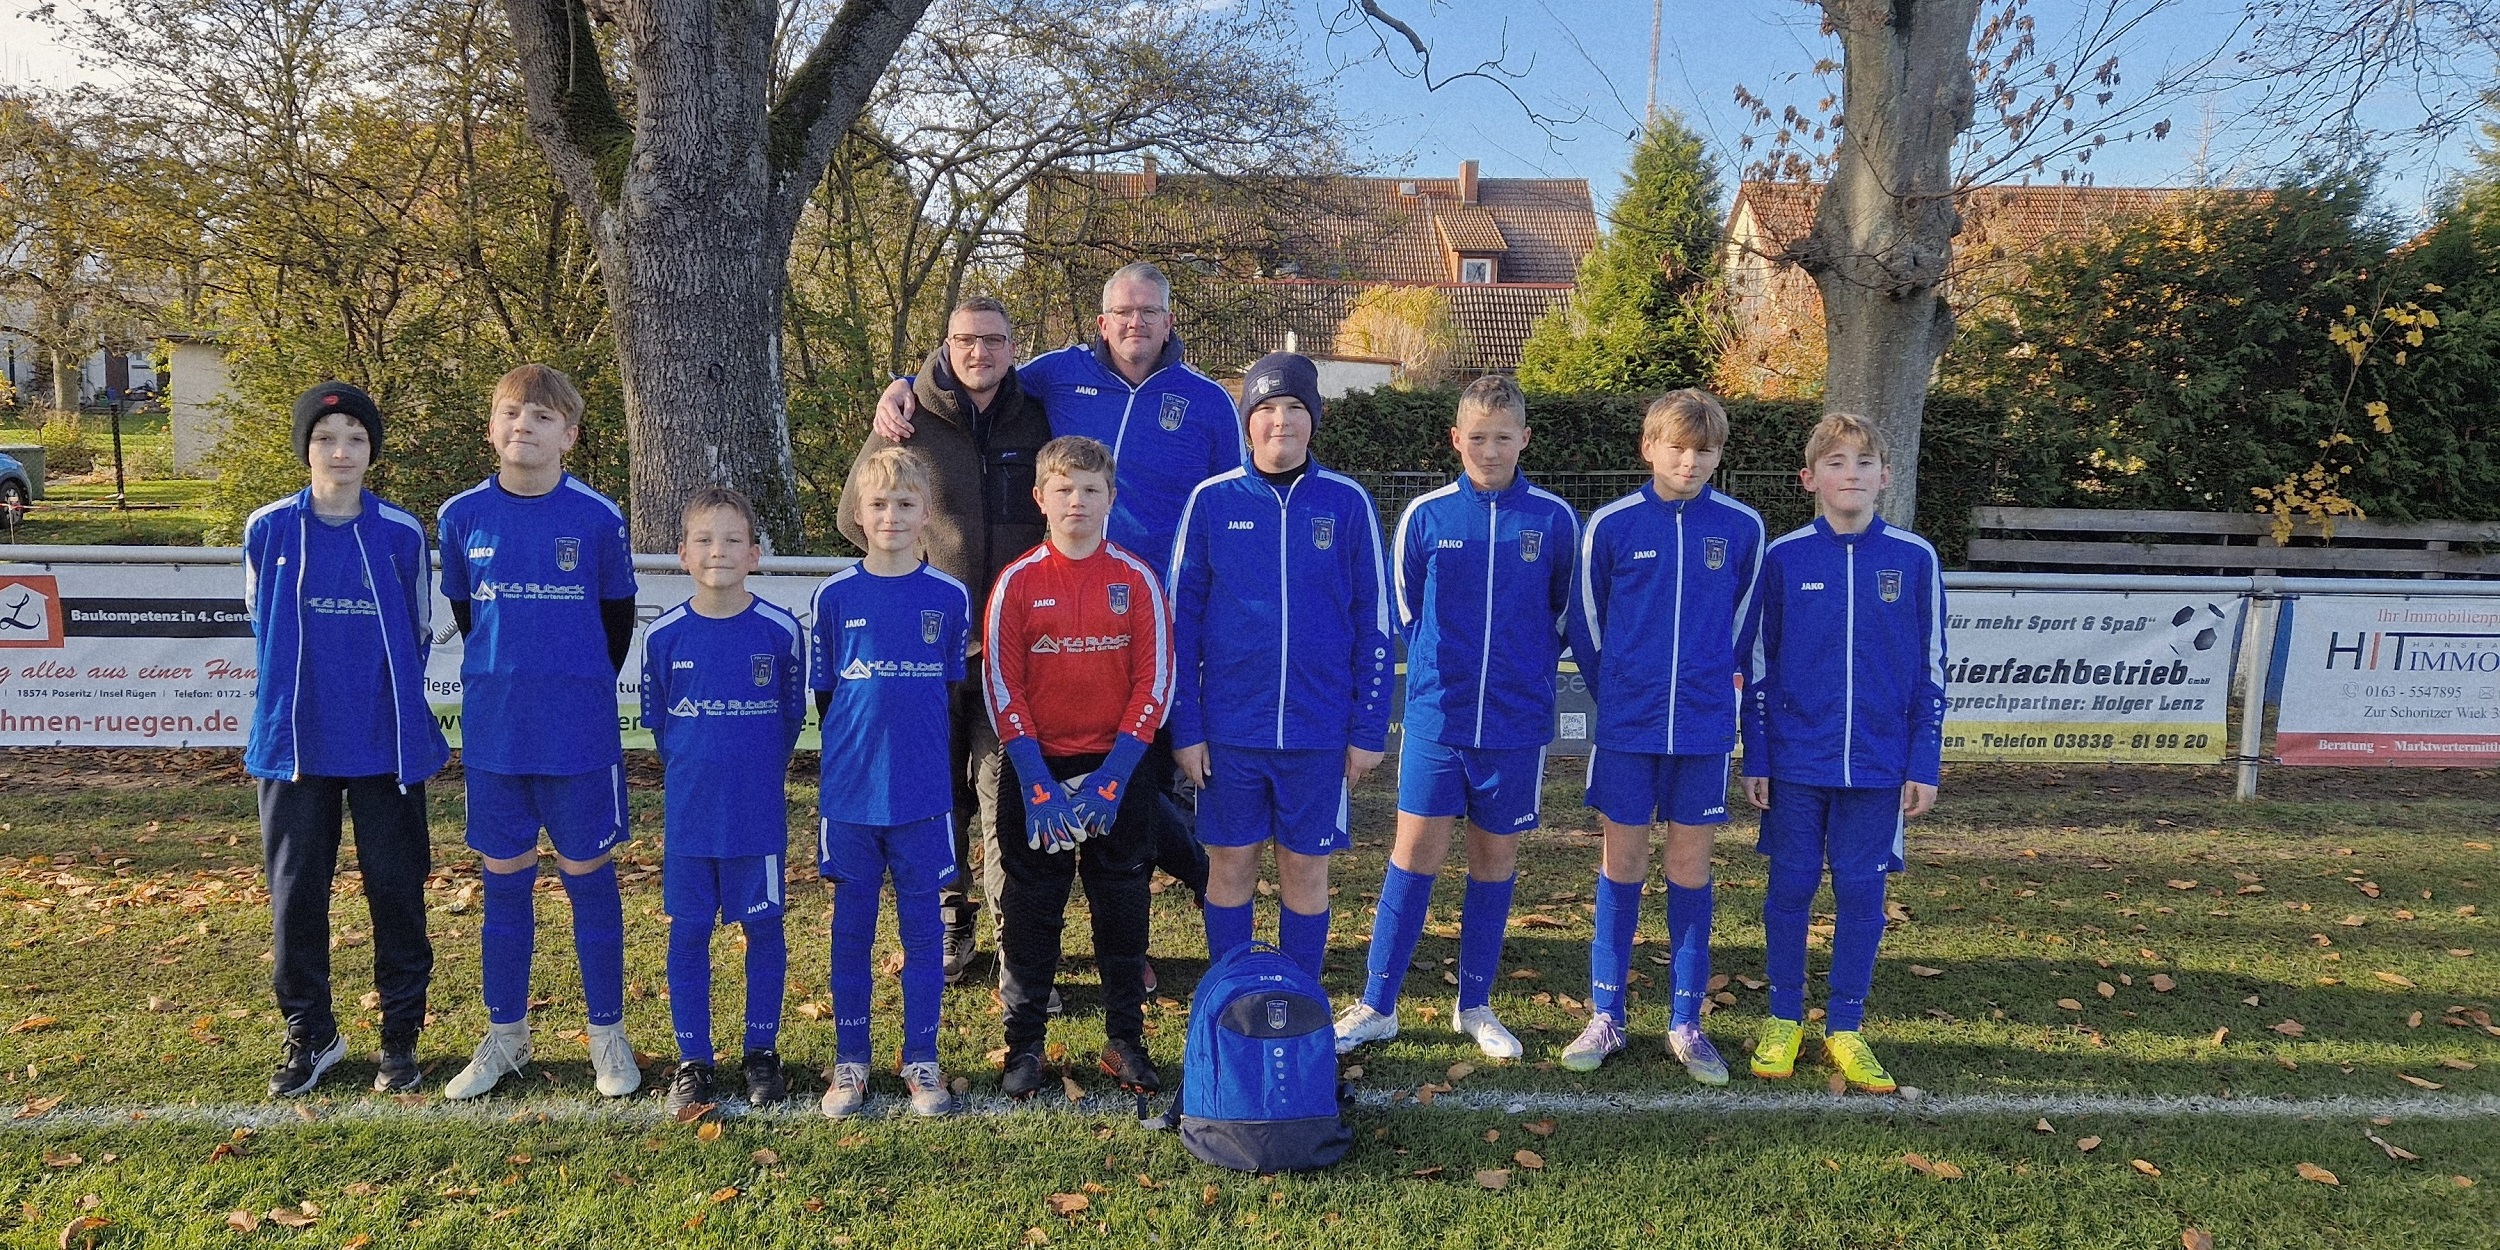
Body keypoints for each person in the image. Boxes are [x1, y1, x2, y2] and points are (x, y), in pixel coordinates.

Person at [873, 264, 1228, 951]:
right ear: (1102, 322)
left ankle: (1160, 916)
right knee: (1035, 777)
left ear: (1169, 320)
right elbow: (976, 372)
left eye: (1149, 311)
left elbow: (1226, 500)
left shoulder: (1207, 401)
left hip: (1154, 618)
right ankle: (1032, 937)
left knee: (1142, 786)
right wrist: (904, 384)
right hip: (1058, 613)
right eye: (1123, 311)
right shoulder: (1057, 374)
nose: (1135, 323)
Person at [1333, 376, 1578, 1060]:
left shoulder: (1554, 520)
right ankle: (1377, 1005)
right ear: (1455, 440)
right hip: (1438, 721)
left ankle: (1474, 1005)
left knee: (1494, 861)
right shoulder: (1427, 516)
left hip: (1515, 725)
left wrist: (1522, 670)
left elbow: (1565, 612)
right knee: (1412, 856)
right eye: (1477, 438)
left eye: (1502, 437)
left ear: (1525, 438)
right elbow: (1407, 610)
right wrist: (1445, 673)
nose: (1489, 450)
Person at [436, 364, 644, 1100]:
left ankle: (607, 1034)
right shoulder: (461, 516)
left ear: (570, 436)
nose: (524, 425)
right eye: (511, 413)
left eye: (542, 417)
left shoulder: (598, 518)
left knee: (589, 879)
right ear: (492, 428)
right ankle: (507, 1035)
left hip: (578, 736)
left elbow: (615, 624)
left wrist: (570, 684)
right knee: (504, 885)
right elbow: (468, 615)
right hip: (497, 735)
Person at [243, 381, 451, 1097]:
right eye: (326, 438)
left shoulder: (400, 532)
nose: (341, 452)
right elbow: (260, 621)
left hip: (385, 744)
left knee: (396, 892)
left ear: (371, 451)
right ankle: (312, 1033)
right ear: (305, 447)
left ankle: (400, 1035)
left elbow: (418, 628)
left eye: (356, 439)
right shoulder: (268, 528)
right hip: (294, 745)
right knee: (296, 895)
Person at [838, 295, 1051, 986]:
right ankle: (950, 922)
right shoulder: (908, 417)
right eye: (965, 340)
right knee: (939, 793)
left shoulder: (1038, 413)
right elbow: (852, 514)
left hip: (1010, 647)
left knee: (1003, 793)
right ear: (946, 346)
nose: (978, 352)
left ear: (1012, 348)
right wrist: (916, 571)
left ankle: (1014, 941)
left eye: (992, 340)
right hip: (927, 652)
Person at [1557, 389, 1766, 1081]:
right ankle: (1606, 1014)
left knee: (1689, 870)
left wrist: (1712, 689)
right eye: (1676, 447)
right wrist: (1619, 691)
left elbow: (1743, 627)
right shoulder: (1612, 524)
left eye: (1704, 451)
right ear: (1649, 447)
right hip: (1627, 728)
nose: (1689, 461)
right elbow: (1587, 620)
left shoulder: (1742, 527)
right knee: (1622, 866)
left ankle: (1685, 1021)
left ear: (1718, 455)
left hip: (1703, 731)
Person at [1168, 352, 1392, 980]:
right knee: (1230, 866)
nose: (1281, 421)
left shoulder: (1347, 502)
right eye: (1266, 408)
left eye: (1295, 407)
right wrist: (1186, 728)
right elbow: (1179, 624)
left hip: (1318, 733)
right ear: (1247, 420)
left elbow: (1375, 623)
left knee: (1305, 870)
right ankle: (1232, 995)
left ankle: (1299, 1002)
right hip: (1230, 734)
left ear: (1314, 418)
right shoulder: (1211, 500)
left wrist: (1367, 729)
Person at [1740, 411, 1946, 1093]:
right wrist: (1758, 756)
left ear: (1886, 476)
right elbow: (1759, 666)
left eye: (1863, 462)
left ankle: (1847, 1025)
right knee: (1791, 887)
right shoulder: (1784, 558)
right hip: (1797, 762)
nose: (1850, 473)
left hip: (1880, 765)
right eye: (1835, 462)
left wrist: (1923, 761)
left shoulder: (1914, 558)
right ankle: (1783, 1017)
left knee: (1862, 891)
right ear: (1809, 479)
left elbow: (1932, 668)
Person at [982, 435, 1173, 1099]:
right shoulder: (1017, 582)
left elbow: (1155, 684)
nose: (1077, 502)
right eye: (1064, 489)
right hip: (1036, 766)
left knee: (1122, 908)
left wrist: (1112, 780)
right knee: (1031, 911)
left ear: (1111, 498)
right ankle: (1024, 1047)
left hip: (1118, 768)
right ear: (1040, 498)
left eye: (1091, 490)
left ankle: (1125, 1041)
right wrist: (1038, 783)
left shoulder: (1138, 580)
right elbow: (1002, 687)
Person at [812, 448, 972, 1118]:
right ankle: (851, 1061)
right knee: (851, 930)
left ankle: (921, 1059)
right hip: (851, 795)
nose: (891, 516)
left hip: (922, 794)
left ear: (926, 512)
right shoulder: (834, 595)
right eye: (878, 504)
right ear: (858, 512)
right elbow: (827, 697)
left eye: (905, 503)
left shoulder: (949, 597)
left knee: (924, 933)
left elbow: (951, 693)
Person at [643, 487, 808, 1114]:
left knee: (764, 928)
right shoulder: (664, 635)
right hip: (690, 819)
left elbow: (788, 721)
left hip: (756, 816)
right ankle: (694, 1059)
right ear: (683, 554)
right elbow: (662, 726)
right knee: (688, 933)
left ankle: (761, 1051)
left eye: (733, 539)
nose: (719, 551)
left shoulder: (779, 631)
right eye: (705, 540)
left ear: (755, 554)